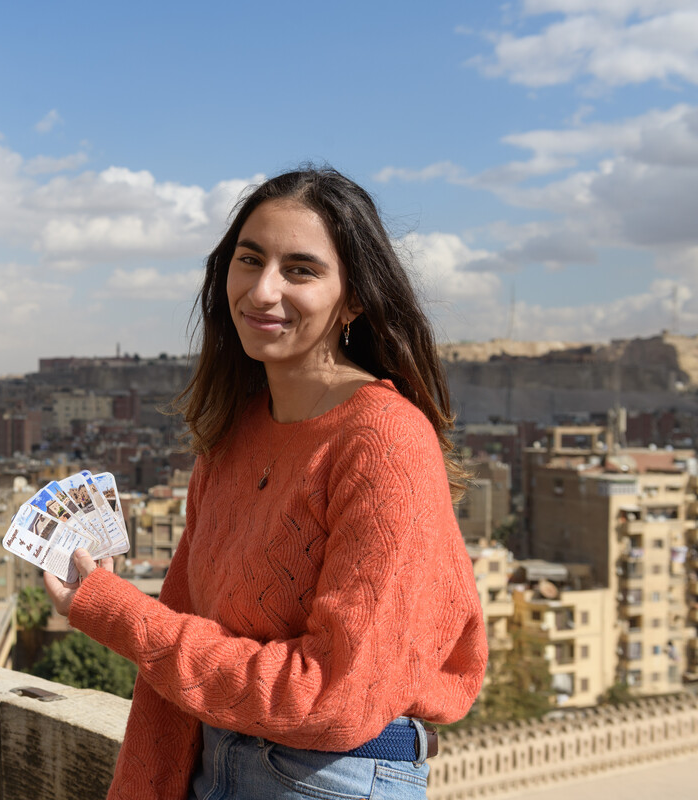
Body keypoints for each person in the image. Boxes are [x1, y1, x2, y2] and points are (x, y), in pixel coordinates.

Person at [44, 165, 488, 800]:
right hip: (214, 758)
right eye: (249, 260)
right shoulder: (233, 436)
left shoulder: (385, 441)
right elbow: (177, 669)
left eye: (300, 270)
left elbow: (336, 694)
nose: (262, 290)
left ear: (354, 298)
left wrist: (115, 612)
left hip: (329, 777)